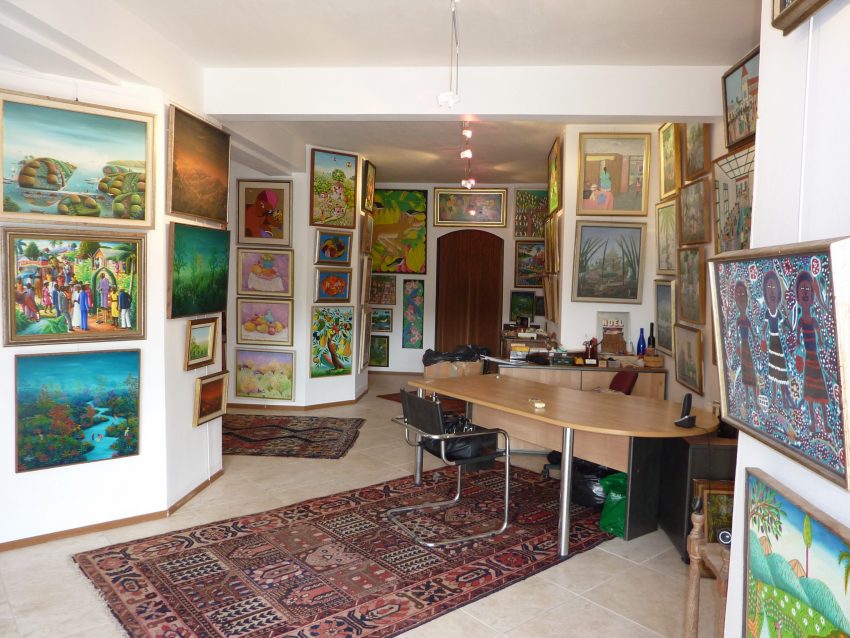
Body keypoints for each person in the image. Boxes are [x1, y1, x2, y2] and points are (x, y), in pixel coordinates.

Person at [795, 271, 830, 432]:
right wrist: (797, 341)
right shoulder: (801, 320)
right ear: (797, 296)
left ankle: (826, 424)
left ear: (813, 295)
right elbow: (798, 333)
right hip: (808, 358)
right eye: (802, 290)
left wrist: (821, 340)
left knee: (821, 392)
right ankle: (814, 424)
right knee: (809, 393)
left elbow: (819, 333)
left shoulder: (813, 320)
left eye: (807, 290)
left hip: (814, 358)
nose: (805, 293)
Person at [761, 270, 792, 408]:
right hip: (772, 343)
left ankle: (784, 401)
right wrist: (762, 337)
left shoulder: (778, 312)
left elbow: (785, 326)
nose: (772, 290)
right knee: (773, 372)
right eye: (769, 287)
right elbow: (764, 328)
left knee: (781, 372)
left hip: (778, 343)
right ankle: (774, 399)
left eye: (774, 287)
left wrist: (787, 323)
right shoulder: (768, 313)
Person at [734, 281, 757, 412]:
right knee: (746, 375)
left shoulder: (746, 320)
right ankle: (748, 401)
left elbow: (752, 333)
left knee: (751, 374)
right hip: (743, 347)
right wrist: (737, 345)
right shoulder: (739, 320)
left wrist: (754, 339)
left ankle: (754, 401)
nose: (741, 298)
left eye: (743, 294)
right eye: (739, 295)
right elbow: (737, 336)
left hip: (747, 347)